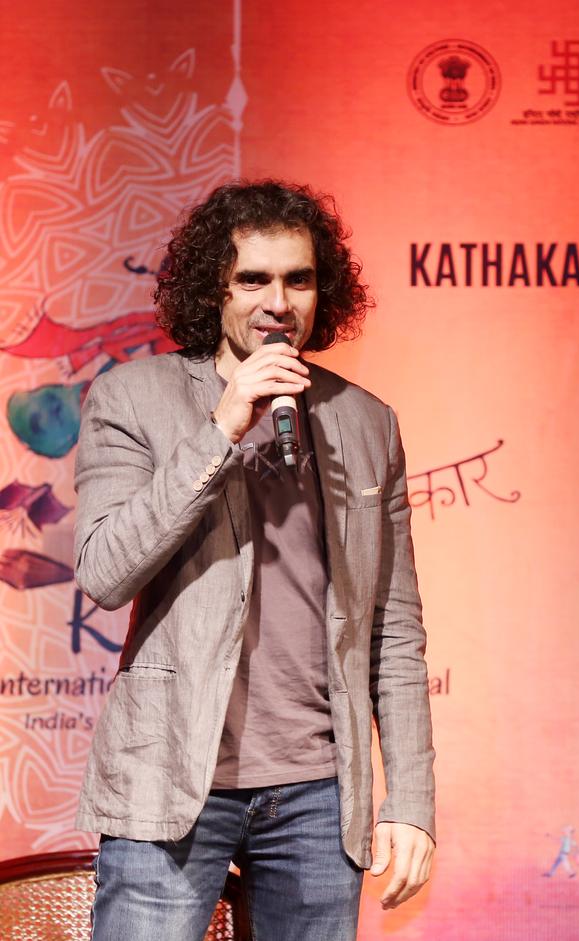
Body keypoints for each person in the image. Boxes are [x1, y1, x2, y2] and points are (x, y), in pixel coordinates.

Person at [74, 180, 435, 941]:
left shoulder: (367, 422)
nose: (279, 301)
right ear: (217, 286)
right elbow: (105, 572)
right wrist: (221, 427)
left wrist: (410, 798)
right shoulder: (132, 398)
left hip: (317, 794)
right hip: (171, 777)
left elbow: (393, 631)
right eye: (254, 279)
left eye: (298, 279)